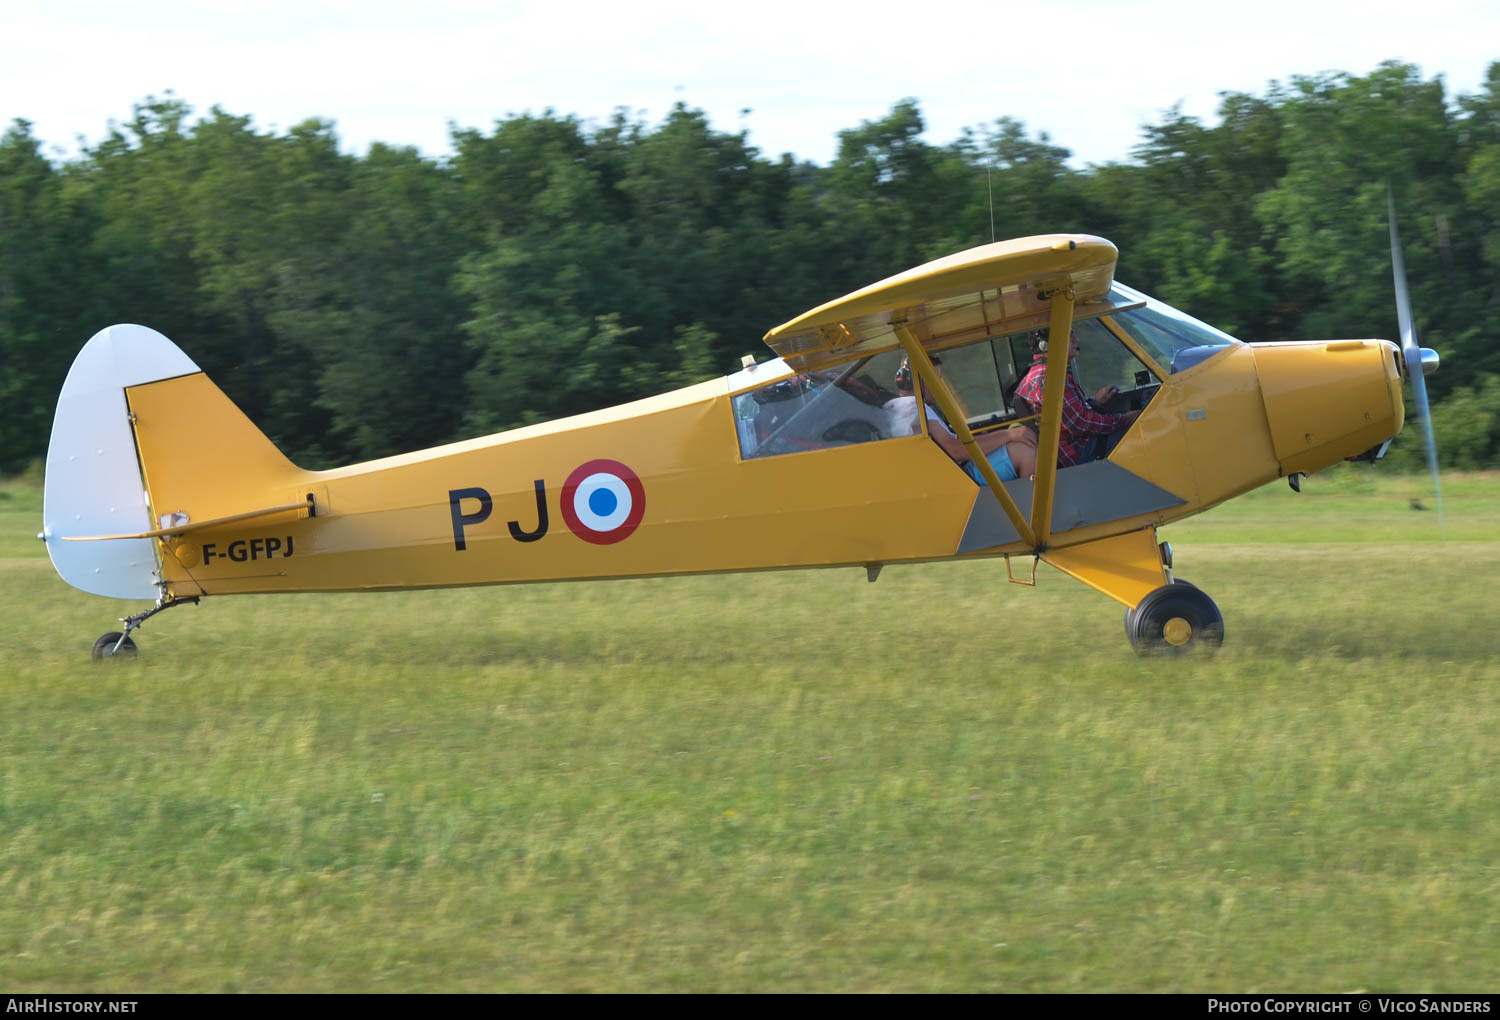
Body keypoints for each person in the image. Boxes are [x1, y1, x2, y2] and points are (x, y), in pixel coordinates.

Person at [884, 355, 1037, 482]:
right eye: (936, 379)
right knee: (1025, 452)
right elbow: (956, 451)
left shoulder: (903, 407)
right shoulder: (911, 407)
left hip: (952, 474)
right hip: (956, 479)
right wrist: (1009, 435)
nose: (940, 386)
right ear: (917, 381)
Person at [1012, 328, 1139, 467]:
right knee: (1140, 433)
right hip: (1079, 453)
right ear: (1045, 345)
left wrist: (1096, 403)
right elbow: (1080, 423)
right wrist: (1124, 419)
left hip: (1078, 446)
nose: (1076, 340)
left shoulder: (1044, 372)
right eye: (1069, 335)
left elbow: (1069, 417)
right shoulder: (1048, 377)